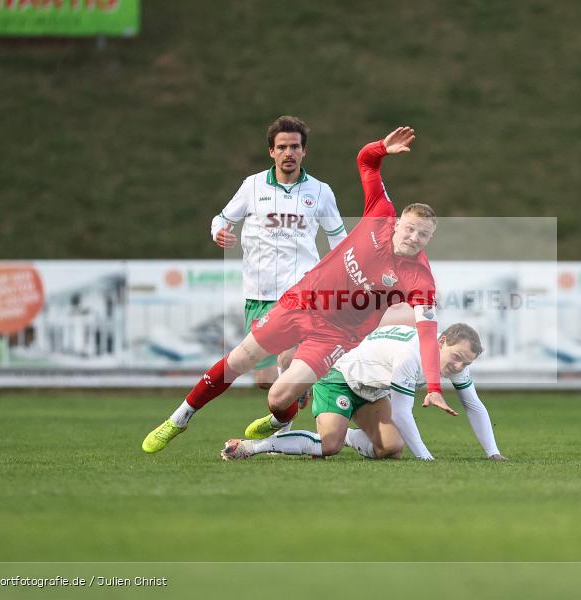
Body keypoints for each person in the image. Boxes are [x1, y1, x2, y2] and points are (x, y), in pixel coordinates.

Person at [142, 127, 452, 453]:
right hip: (303, 300)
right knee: (242, 358)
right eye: (411, 229)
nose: (414, 238)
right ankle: (180, 418)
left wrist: (433, 386)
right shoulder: (381, 214)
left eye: (424, 235)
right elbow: (366, 162)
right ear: (399, 222)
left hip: (335, 335)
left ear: (429, 239)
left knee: (277, 396)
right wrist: (381, 148)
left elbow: (428, 331)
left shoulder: (420, 279)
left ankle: (279, 420)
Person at [221, 323, 506, 461]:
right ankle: (252, 447)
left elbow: (474, 406)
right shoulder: (412, 356)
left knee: (391, 449)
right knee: (327, 446)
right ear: (441, 341)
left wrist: (493, 454)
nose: (458, 366)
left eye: (465, 363)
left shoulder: (455, 364)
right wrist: (426, 459)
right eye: (456, 357)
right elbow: (404, 412)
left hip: (372, 390)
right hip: (338, 376)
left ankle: (347, 434)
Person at [212, 115, 346, 396]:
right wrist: (219, 232)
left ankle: (288, 426)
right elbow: (221, 219)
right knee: (265, 378)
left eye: (295, 147)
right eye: (283, 147)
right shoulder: (252, 186)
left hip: (302, 293)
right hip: (260, 294)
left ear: (304, 151)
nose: (289, 153)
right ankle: (295, 400)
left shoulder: (321, 191)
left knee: (291, 362)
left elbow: (339, 240)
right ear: (271, 151)